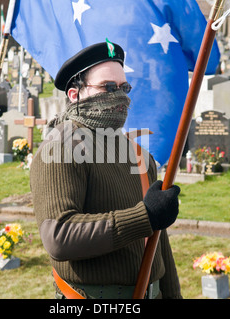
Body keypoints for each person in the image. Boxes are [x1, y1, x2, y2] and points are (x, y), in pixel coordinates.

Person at [30, 41, 182, 299]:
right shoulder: (60, 149)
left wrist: (173, 295)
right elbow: (59, 236)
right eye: (108, 87)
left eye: (124, 87)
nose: (120, 96)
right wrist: (143, 216)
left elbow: (158, 242)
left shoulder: (139, 155)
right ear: (74, 94)